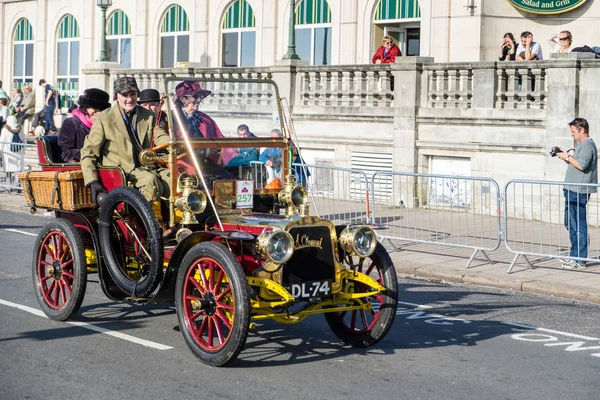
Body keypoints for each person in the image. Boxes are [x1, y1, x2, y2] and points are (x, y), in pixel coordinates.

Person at [80, 77, 170, 208]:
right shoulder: (104, 118)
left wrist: (176, 143)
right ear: (116, 96)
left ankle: (177, 221)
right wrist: (92, 181)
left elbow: (159, 135)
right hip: (121, 172)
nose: (129, 99)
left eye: (132, 94)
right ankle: (151, 223)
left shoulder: (148, 115)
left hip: (147, 166)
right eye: (125, 95)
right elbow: (88, 152)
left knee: (173, 177)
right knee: (150, 180)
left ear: (137, 95)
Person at [555, 118, 598, 269]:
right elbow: (578, 164)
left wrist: (568, 157)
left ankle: (579, 260)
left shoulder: (587, 145)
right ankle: (575, 256)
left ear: (582, 130)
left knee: (577, 225)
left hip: (578, 191)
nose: (572, 135)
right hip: (573, 189)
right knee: (570, 222)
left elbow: (582, 164)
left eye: (574, 132)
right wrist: (566, 158)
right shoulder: (582, 145)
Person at [58, 88, 110, 163]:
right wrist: (90, 153)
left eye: (100, 110)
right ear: (85, 108)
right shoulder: (71, 123)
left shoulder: (105, 124)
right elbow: (65, 153)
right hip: (82, 165)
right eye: (94, 109)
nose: (97, 113)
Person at [0, 115, 26, 187]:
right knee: (17, 168)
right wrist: (24, 149)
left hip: (7, 152)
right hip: (18, 151)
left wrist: (1, 150)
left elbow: (2, 141)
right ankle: (17, 183)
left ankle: (9, 185)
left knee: (8, 168)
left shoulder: (5, 129)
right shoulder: (20, 128)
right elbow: (24, 139)